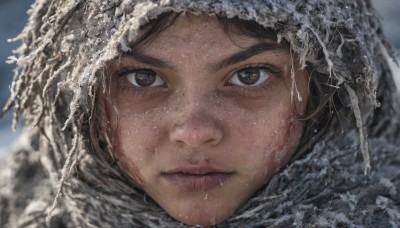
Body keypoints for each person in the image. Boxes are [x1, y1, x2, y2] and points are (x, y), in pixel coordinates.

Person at [0, 0, 399, 227]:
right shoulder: (17, 208)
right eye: (142, 78)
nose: (194, 133)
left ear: (323, 91)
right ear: (81, 97)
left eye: (248, 75)